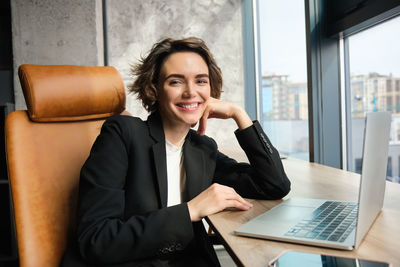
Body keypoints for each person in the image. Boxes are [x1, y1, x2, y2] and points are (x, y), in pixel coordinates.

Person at [61, 37, 290, 267]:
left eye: (201, 81)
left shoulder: (202, 149)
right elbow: (95, 239)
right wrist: (191, 210)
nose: (191, 92)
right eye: (176, 82)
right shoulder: (122, 135)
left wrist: (238, 114)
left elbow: (273, 185)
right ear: (154, 89)